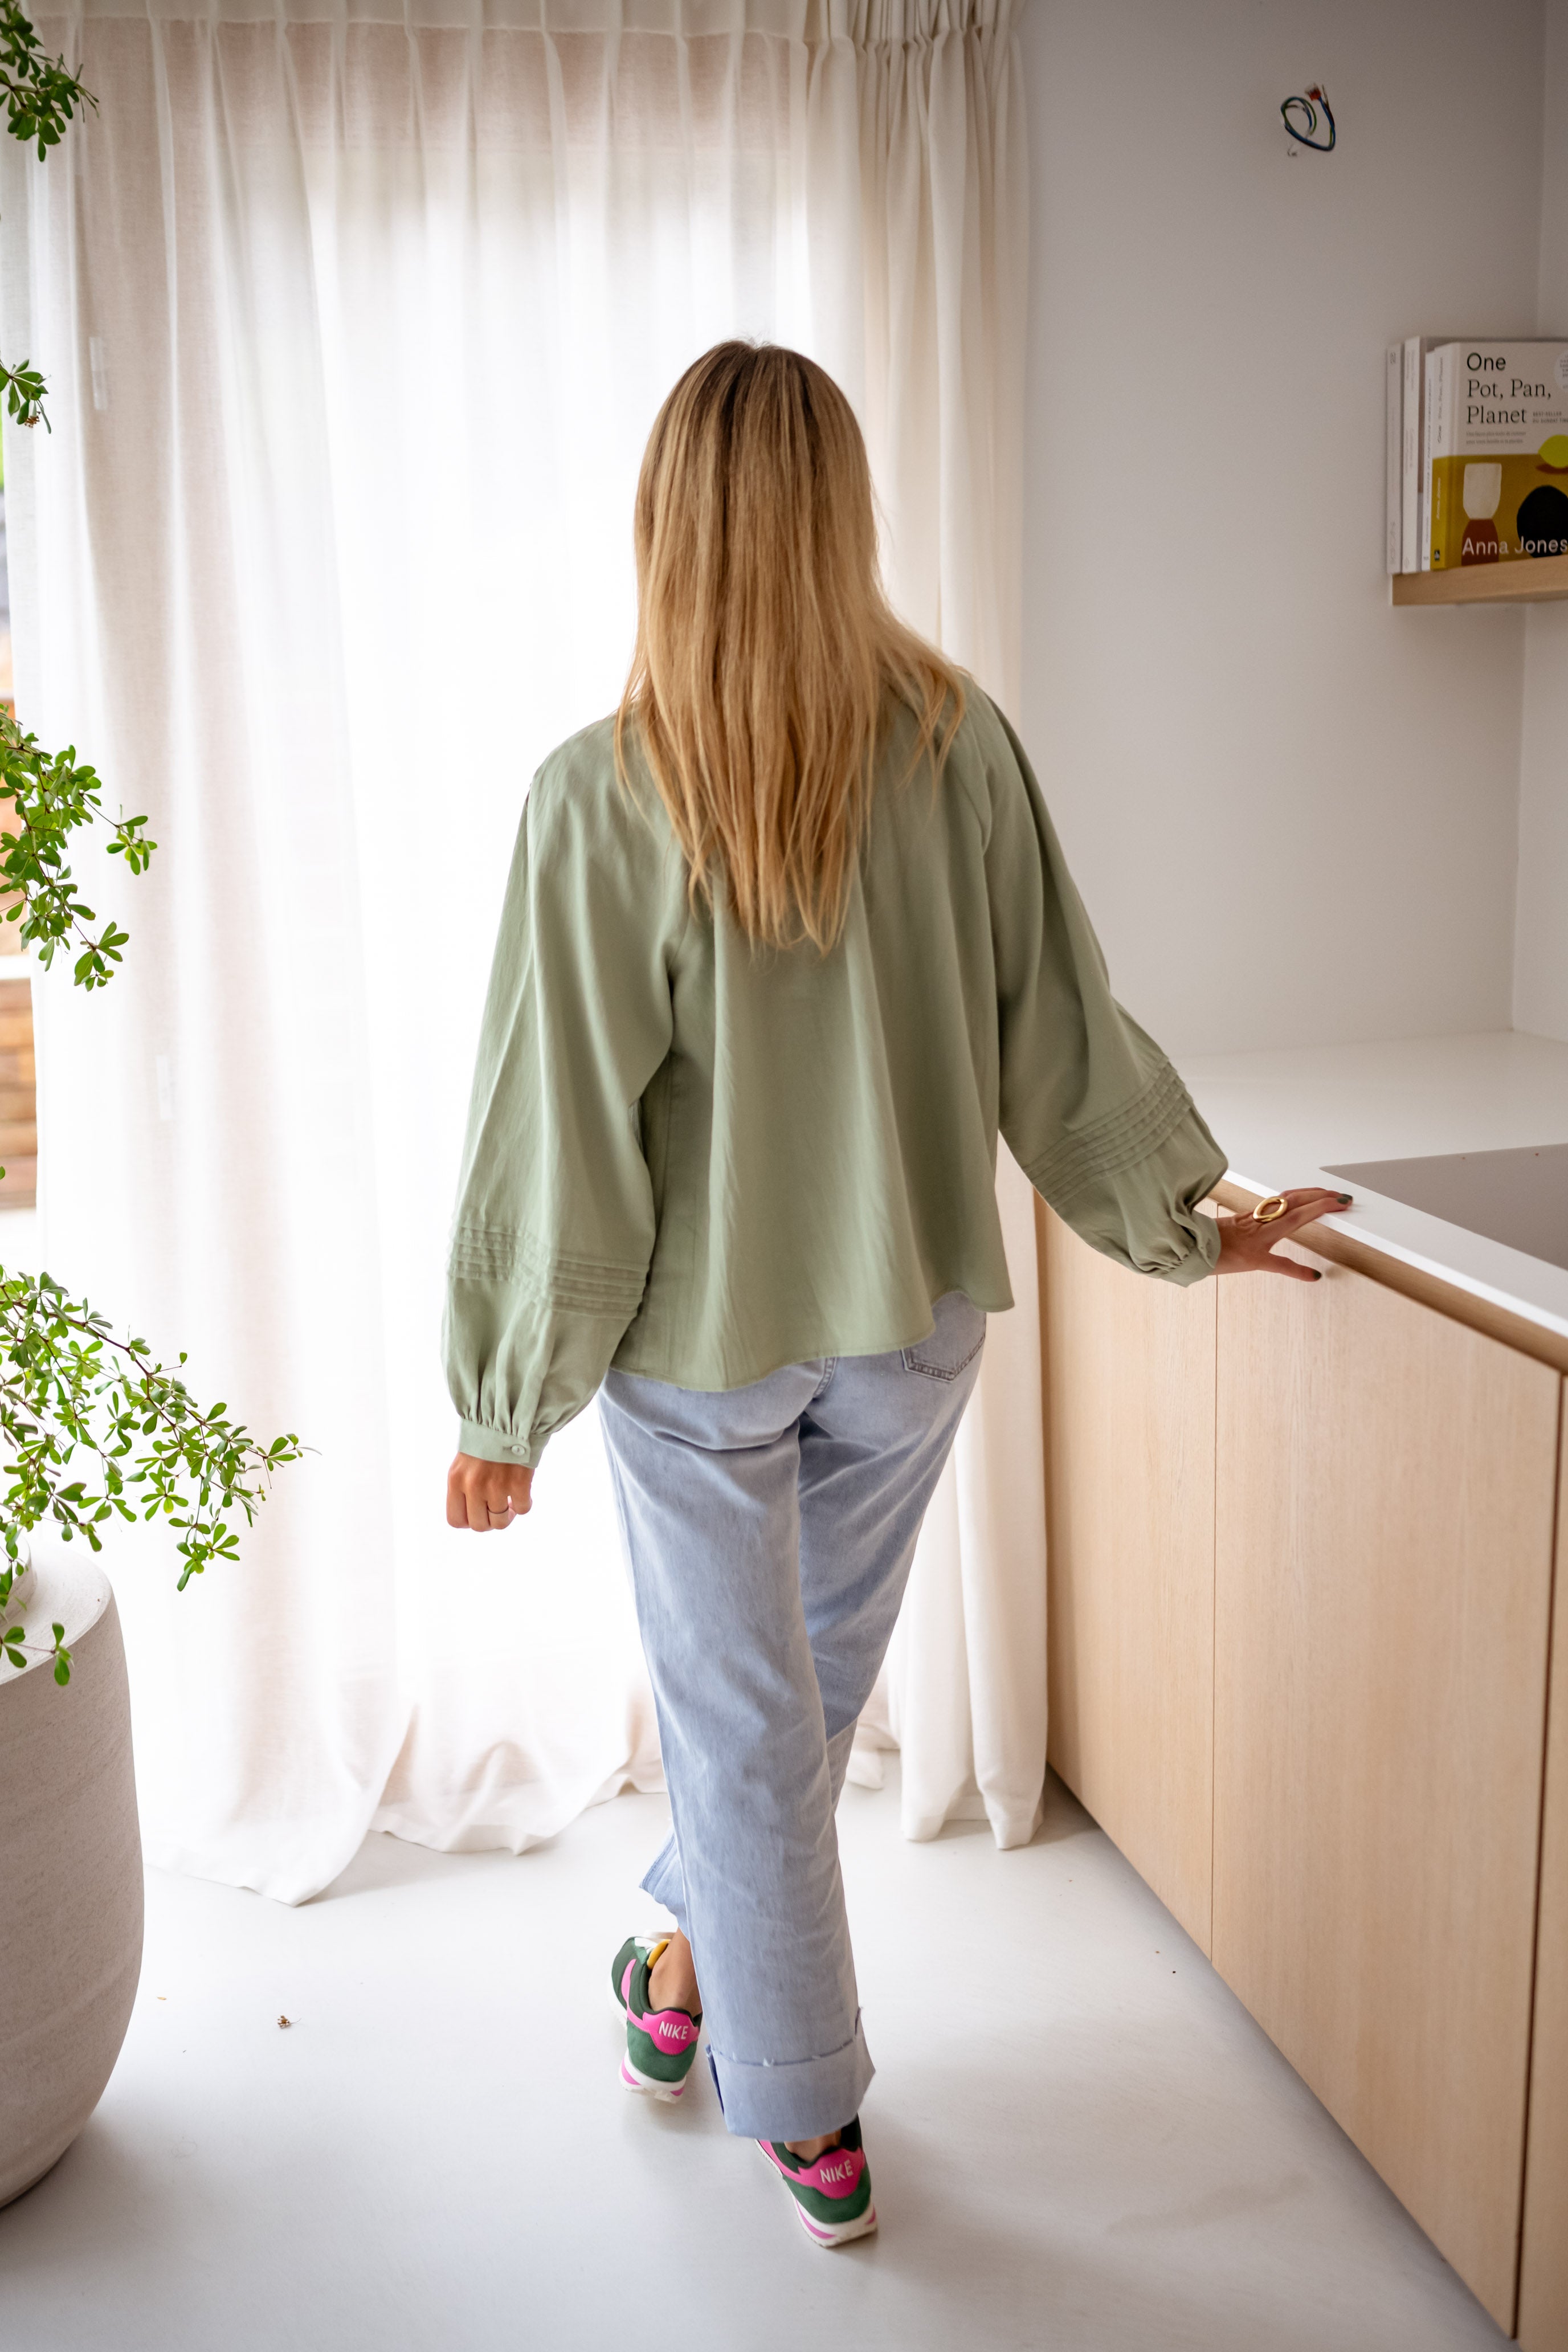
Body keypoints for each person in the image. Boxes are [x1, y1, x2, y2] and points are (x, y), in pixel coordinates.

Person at [443, 340, 1345, 2248]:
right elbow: (1061, 1038)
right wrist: (1190, 1208)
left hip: (697, 1355)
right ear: (848, 513)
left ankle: (803, 2103)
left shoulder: (600, 799)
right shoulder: (959, 743)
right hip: (911, 1328)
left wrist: (507, 1402)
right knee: (791, 1704)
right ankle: (690, 1973)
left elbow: (557, 1132)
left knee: (761, 1714)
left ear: (664, 528)